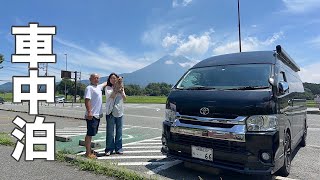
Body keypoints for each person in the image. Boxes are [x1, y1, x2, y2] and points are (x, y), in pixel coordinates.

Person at [84, 73, 107, 158]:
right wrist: (89, 112)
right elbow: (87, 100)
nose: (97, 79)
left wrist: (115, 79)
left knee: (92, 133)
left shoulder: (98, 87)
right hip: (92, 115)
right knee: (89, 134)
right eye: (95, 78)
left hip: (97, 115)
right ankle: (88, 153)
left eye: (98, 78)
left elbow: (105, 83)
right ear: (90, 79)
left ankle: (89, 150)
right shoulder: (89, 88)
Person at [105, 73, 127, 156]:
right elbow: (111, 96)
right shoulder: (108, 88)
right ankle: (109, 148)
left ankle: (119, 148)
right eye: (111, 78)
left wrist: (121, 91)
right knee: (110, 132)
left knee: (119, 131)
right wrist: (117, 88)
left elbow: (125, 98)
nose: (113, 80)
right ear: (109, 80)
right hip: (110, 112)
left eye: (115, 78)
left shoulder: (121, 88)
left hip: (120, 111)